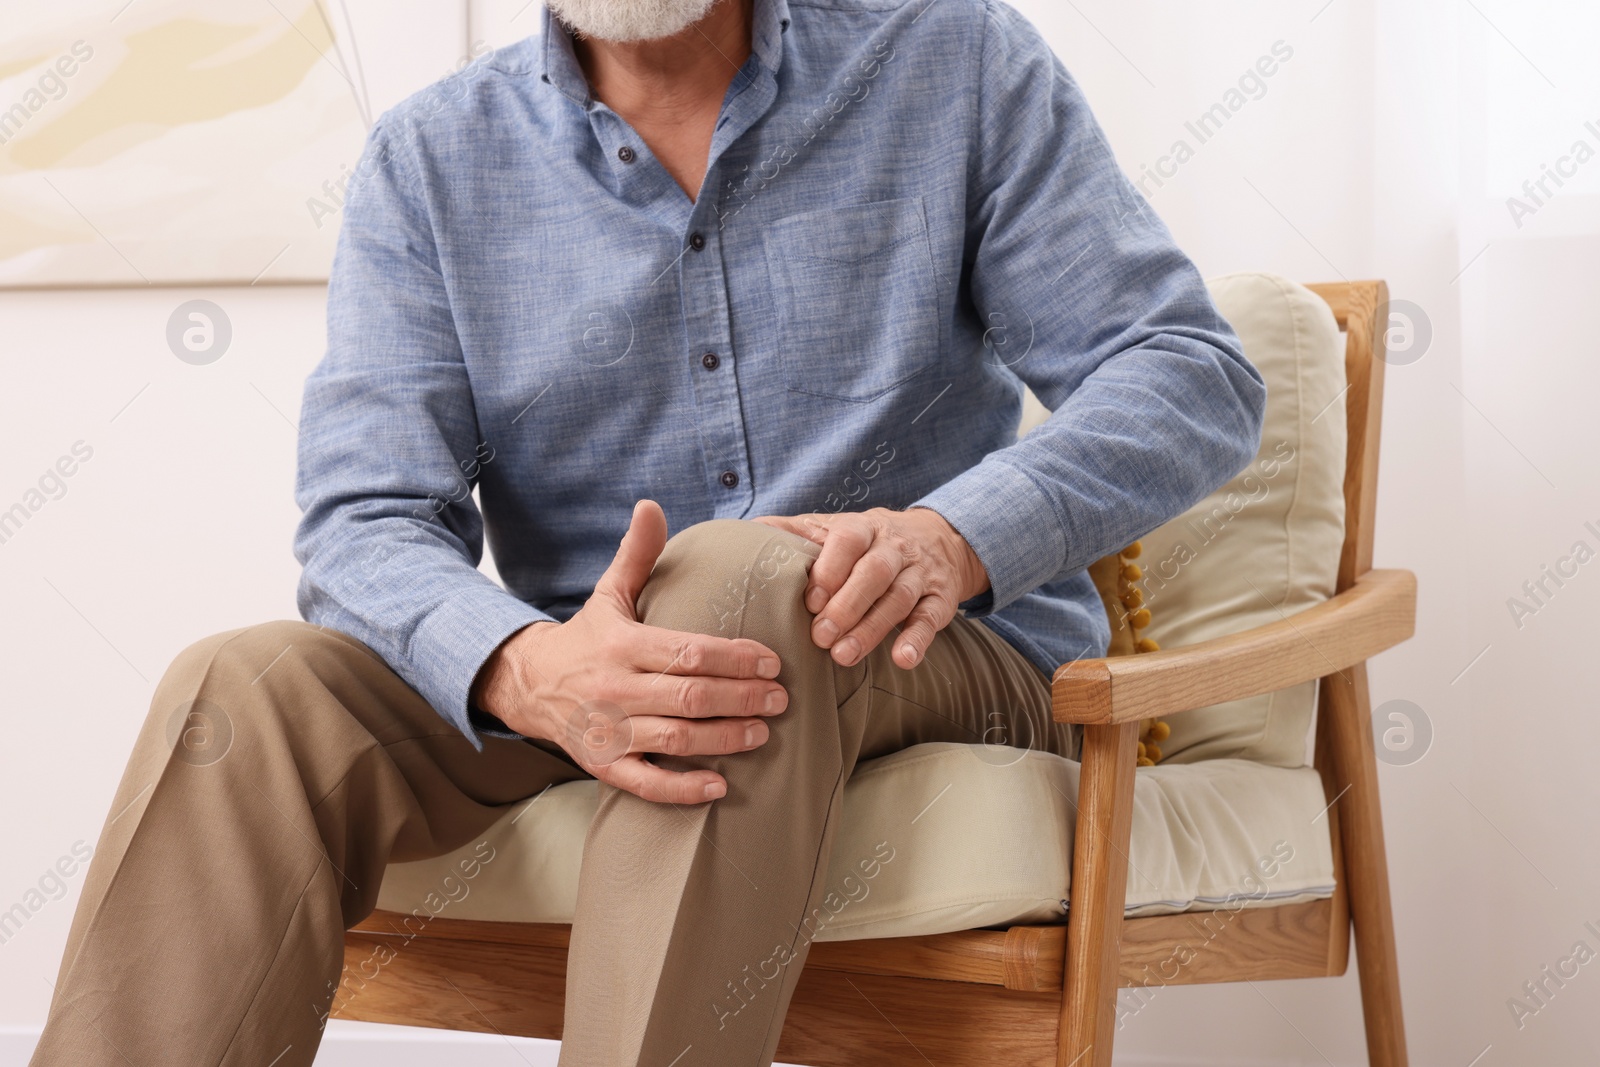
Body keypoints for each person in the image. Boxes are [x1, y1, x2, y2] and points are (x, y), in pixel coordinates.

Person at [31, 0, 1265, 1064]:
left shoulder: (953, 59)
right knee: (241, 688)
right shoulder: (430, 159)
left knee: (731, 587)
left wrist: (953, 533)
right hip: (580, 678)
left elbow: (1185, 369)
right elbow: (363, 521)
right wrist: (525, 666)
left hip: (925, 653)